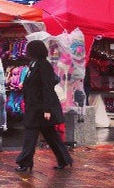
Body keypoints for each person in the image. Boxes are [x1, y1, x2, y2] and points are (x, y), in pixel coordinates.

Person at [15, 40, 73, 172]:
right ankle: (64, 159)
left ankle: (25, 162)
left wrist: (47, 110)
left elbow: (47, 87)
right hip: (34, 106)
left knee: (31, 135)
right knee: (51, 135)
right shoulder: (33, 64)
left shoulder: (43, 65)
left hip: (40, 108)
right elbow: (34, 82)